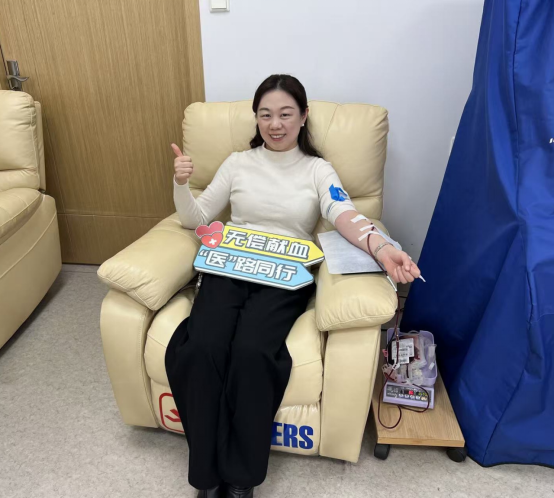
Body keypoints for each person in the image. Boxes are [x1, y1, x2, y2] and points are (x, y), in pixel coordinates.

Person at [165, 74, 421, 498]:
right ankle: (207, 476)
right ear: (256, 119)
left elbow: (344, 213)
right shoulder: (238, 163)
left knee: (252, 352)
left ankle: (241, 477)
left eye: (285, 114)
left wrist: (381, 246)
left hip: (284, 273)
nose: (275, 124)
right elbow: (197, 218)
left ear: (303, 116)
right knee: (201, 346)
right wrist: (181, 184)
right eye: (265, 114)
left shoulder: (317, 169)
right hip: (230, 263)